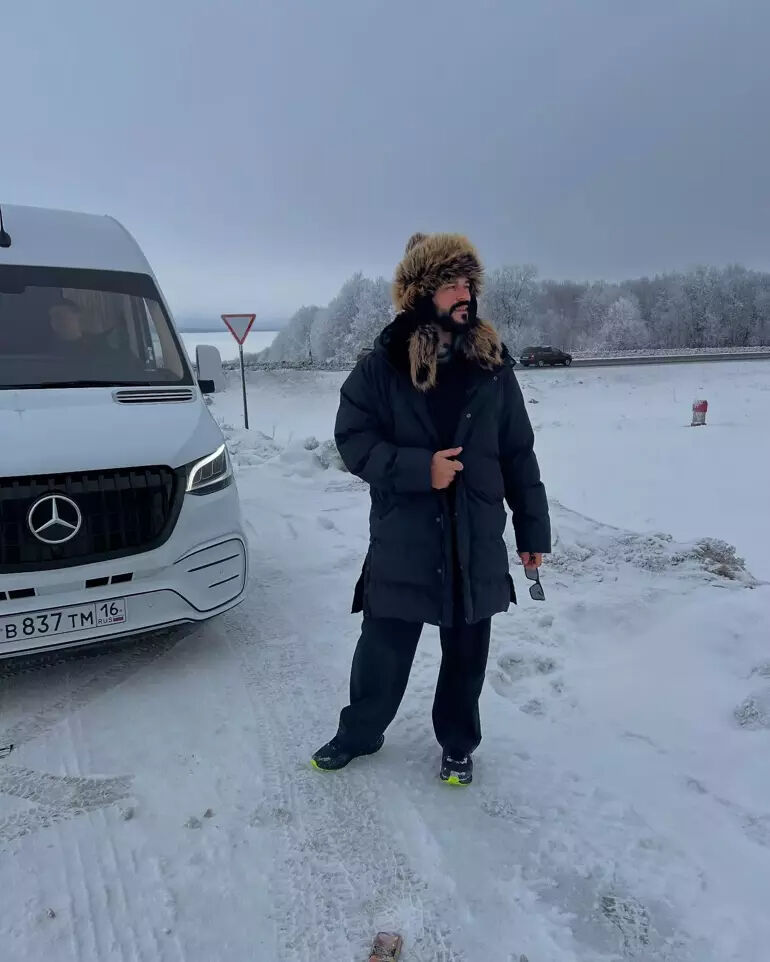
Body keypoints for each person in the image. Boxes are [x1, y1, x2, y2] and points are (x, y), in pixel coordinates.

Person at [312, 232, 551, 786]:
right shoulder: (383, 366)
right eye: (451, 284)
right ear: (421, 294)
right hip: (405, 537)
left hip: (475, 537)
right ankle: (360, 732)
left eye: (468, 283)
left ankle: (458, 744)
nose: (465, 294)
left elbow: (518, 452)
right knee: (382, 650)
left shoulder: (492, 366)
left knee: (467, 655)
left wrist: (532, 531)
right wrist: (421, 469)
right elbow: (353, 439)